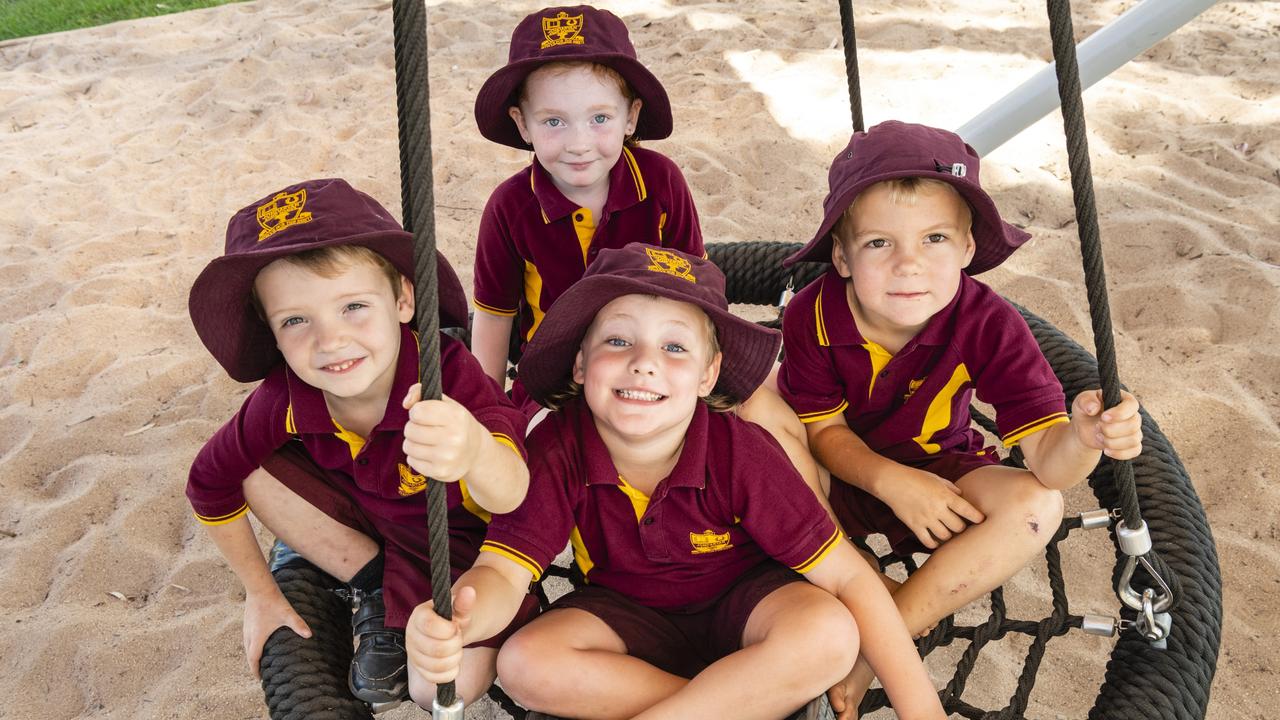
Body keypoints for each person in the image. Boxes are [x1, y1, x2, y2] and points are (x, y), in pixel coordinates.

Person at [406, 245, 946, 720]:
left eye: (675, 348)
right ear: (580, 363)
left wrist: (921, 709)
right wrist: (464, 614)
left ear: (708, 375)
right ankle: (740, 705)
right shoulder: (556, 447)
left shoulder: (739, 450)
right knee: (525, 664)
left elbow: (849, 578)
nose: (644, 364)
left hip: (749, 603)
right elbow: (502, 572)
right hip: (628, 616)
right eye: (618, 340)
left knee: (828, 632)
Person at [777, 120, 1145, 701]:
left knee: (1036, 505)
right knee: (760, 413)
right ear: (842, 257)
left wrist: (1087, 436)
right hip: (829, 482)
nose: (908, 264)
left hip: (941, 472)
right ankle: (852, 569)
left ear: (968, 249)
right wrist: (893, 483)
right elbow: (822, 429)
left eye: (935, 239)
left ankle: (886, 633)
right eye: (879, 243)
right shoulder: (811, 314)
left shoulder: (988, 322)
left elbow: (1051, 466)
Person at [185, 178, 535, 709]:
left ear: (402, 299)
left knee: (441, 686)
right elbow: (208, 483)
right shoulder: (284, 396)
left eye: (353, 307)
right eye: (296, 320)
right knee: (249, 469)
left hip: (467, 550)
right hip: (369, 527)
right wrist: (260, 592)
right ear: (271, 333)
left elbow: (514, 497)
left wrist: (475, 450)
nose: (331, 341)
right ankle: (375, 588)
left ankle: (407, 603)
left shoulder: (445, 374)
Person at [470, 5, 703, 408]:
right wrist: (487, 408)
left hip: (649, 369)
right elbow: (494, 315)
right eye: (553, 122)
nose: (579, 143)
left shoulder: (661, 182)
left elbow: (695, 291)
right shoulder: (509, 206)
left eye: (599, 118)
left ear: (630, 117)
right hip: (553, 380)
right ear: (522, 124)